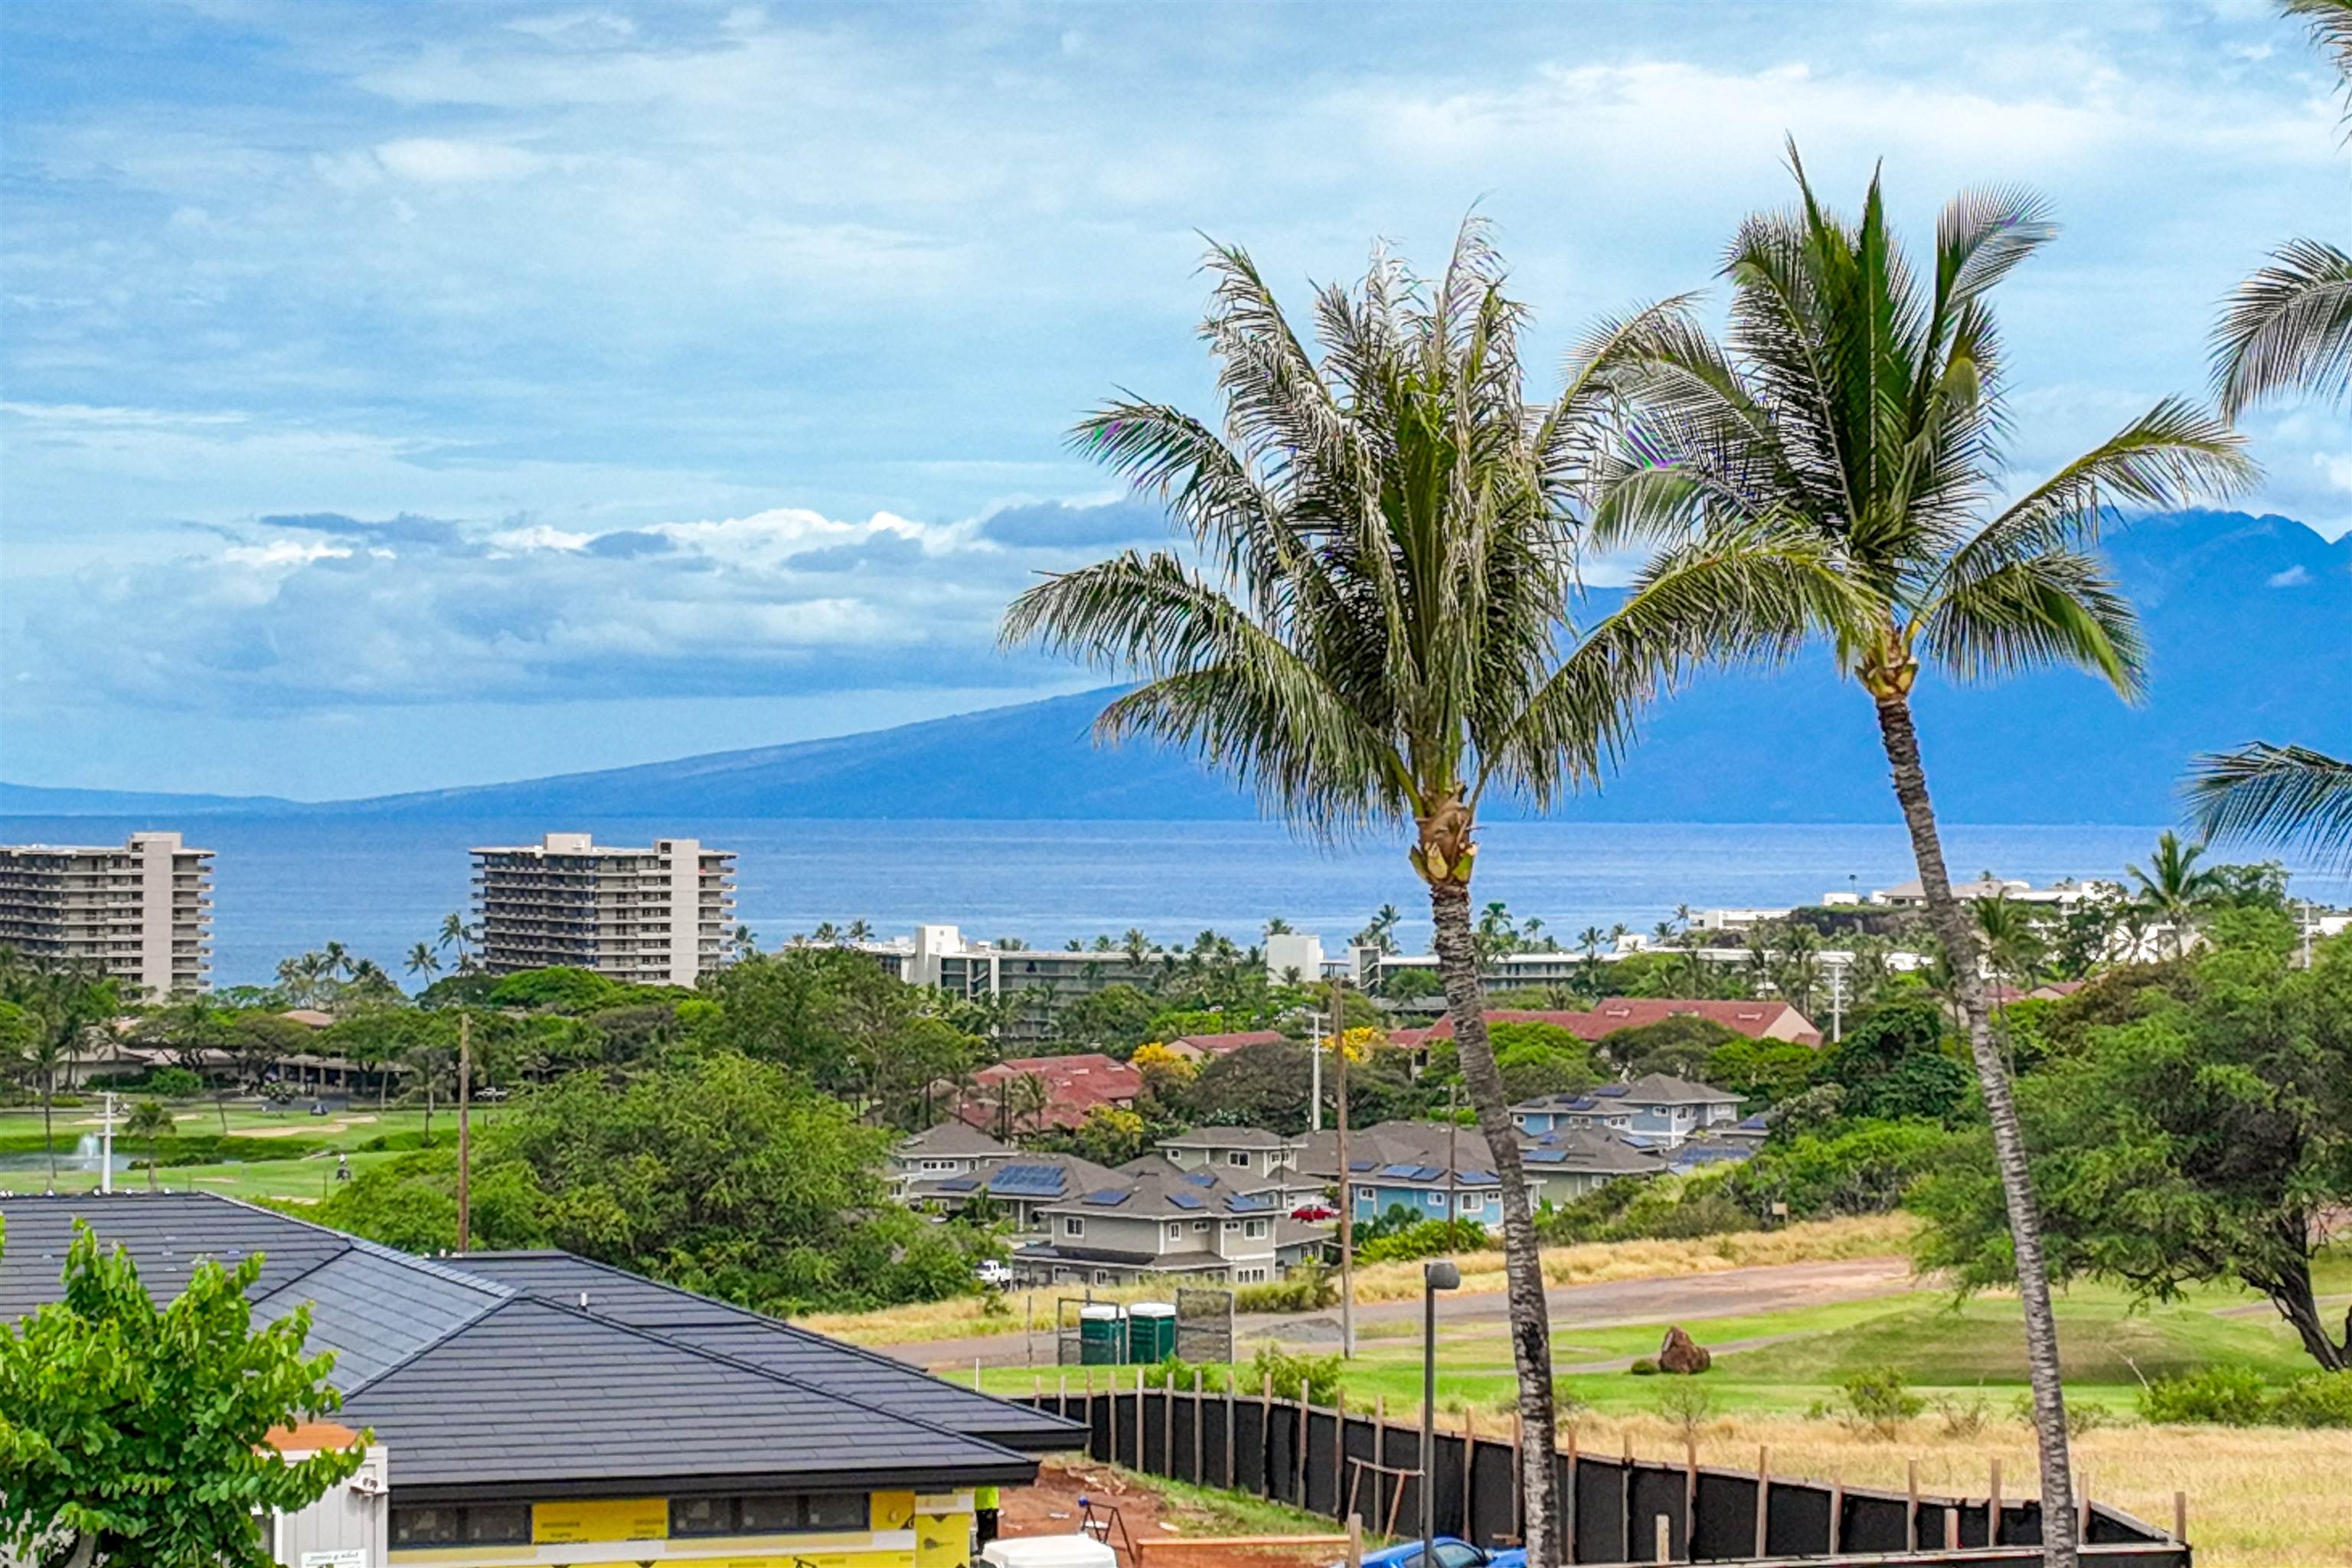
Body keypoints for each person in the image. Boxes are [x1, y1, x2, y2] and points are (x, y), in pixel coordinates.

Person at [974, 1485, 1000, 1549]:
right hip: (989, 1504)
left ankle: (982, 1549)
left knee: (984, 1531)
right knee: (988, 1533)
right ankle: (984, 1550)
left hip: (982, 1504)